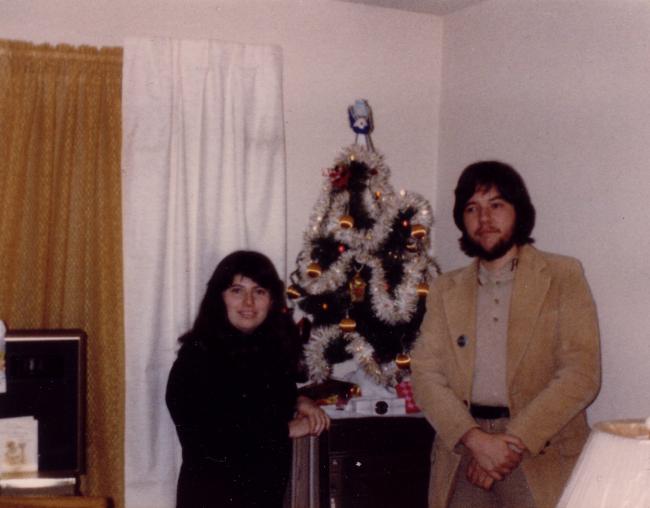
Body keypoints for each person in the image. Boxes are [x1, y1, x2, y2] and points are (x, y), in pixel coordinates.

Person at [411, 161, 601, 508]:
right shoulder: (444, 289)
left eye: (496, 205)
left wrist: (510, 443)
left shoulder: (562, 275)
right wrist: (476, 441)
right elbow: (424, 373)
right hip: (465, 448)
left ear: (519, 211)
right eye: (472, 209)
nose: (484, 220)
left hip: (539, 447)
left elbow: (581, 373)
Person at [166, 250, 330, 508]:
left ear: (271, 300)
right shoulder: (197, 357)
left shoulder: (270, 352)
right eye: (237, 290)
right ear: (219, 297)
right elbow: (213, 440)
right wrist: (288, 429)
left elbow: (258, 403)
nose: (249, 302)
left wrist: (299, 401)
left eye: (259, 291)